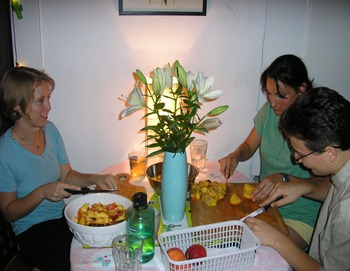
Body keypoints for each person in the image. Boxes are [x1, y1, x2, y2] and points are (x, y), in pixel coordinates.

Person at [0, 67, 118, 271]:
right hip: (31, 231)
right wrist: (42, 192)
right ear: (17, 107)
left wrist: (95, 179)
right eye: (40, 101)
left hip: (61, 218)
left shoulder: (50, 130)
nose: (48, 106)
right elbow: (9, 213)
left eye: (49, 98)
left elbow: (67, 175)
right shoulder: (5, 153)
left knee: (108, 246)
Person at [219, 54, 328, 249]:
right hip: (263, 206)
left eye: (281, 96)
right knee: (223, 236)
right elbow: (249, 146)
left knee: (251, 248)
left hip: (299, 218)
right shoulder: (269, 112)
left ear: (302, 89)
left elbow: (328, 185)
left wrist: (285, 178)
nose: (272, 102)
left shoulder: (314, 124)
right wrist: (236, 155)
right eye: (269, 94)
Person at [245, 87, 350, 270]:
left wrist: (277, 240)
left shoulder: (346, 214)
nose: (296, 159)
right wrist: (303, 186)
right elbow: (335, 190)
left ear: (330, 153)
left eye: (300, 154)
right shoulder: (342, 163)